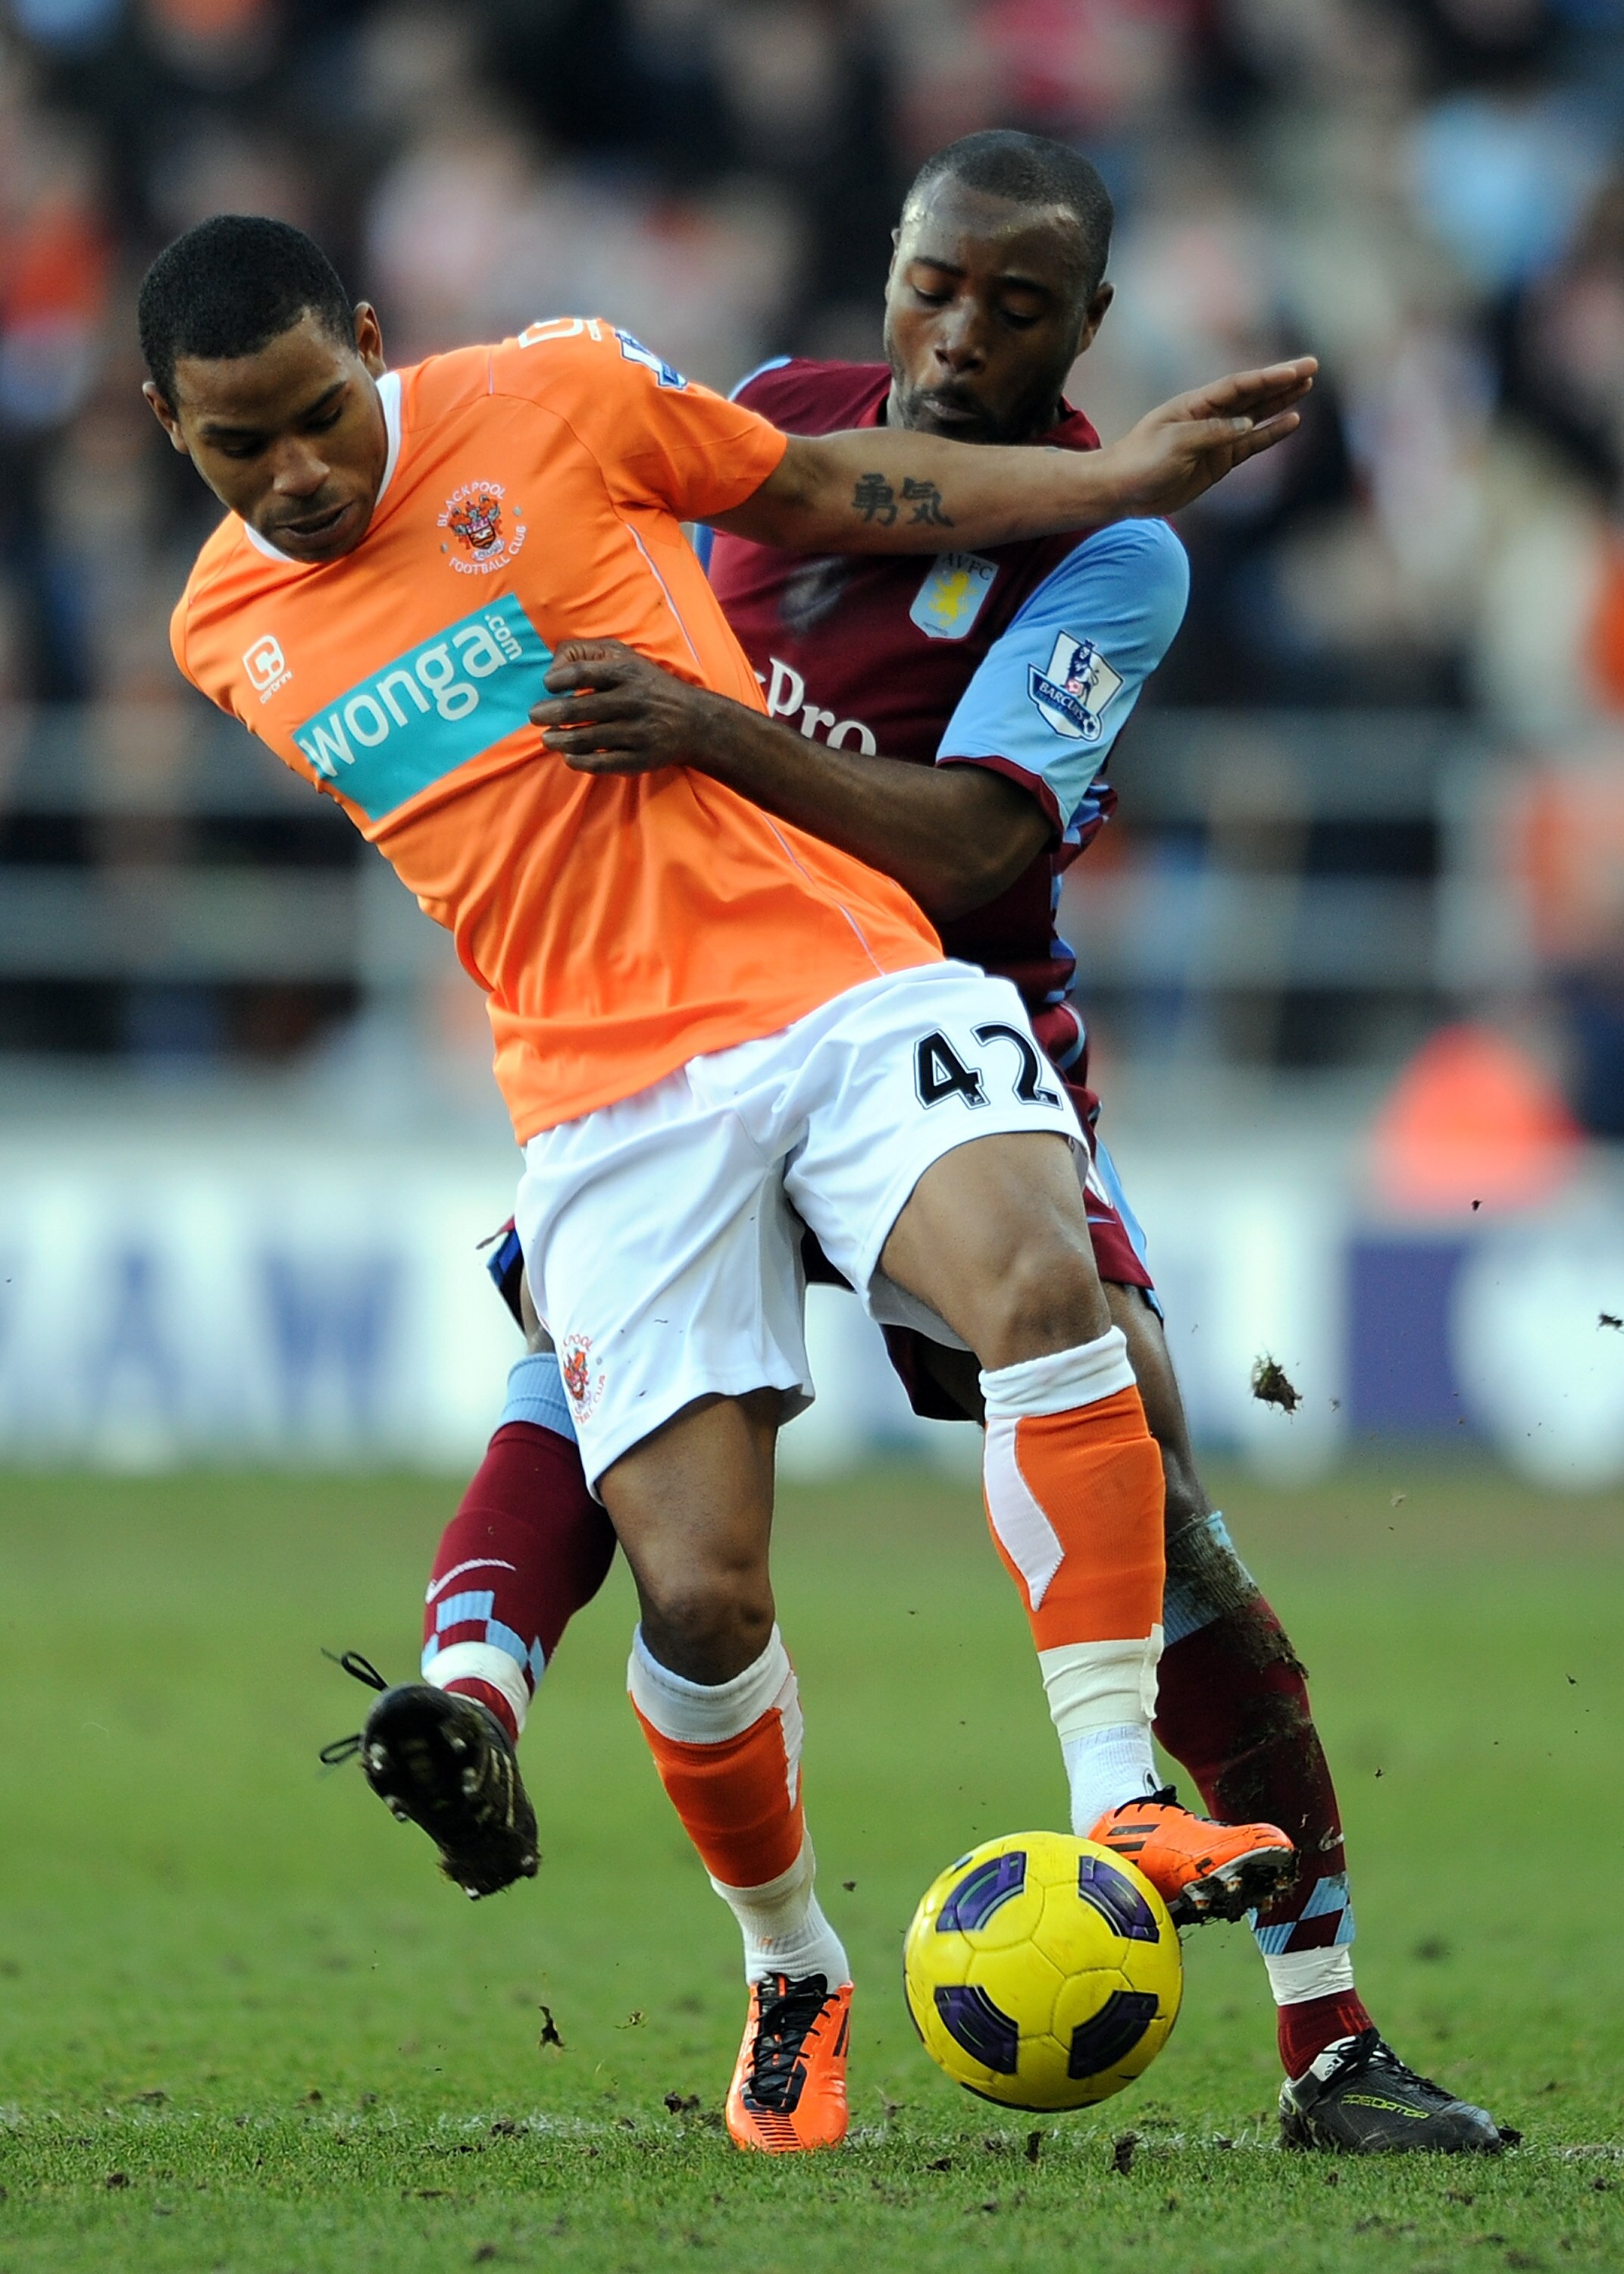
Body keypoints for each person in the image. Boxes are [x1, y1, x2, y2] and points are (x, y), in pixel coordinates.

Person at [379, 133, 1509, 2157]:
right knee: (626, 1435)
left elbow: (985, 842)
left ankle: (1328, 2036)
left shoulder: (1113, 549)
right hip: (700, 1029)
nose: (958, 331)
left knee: (1145, 1450)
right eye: (931, 283)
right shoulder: (785, 431)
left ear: (1088, 327)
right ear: (882, 275)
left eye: (1014, 302)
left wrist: (716, 732)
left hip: (937, 1031)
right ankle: (524, 1740)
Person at [142, 206, 1314, 2154]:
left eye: (322, 416)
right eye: (236, 447)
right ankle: (789, 1969)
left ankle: (1119, 1792)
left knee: (1044, 1289)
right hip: (603, 1098)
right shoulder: (213, 631)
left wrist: (1118, 476)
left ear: (372, 343)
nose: (299, 476)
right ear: (168, 431)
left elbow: (844, 482)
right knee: (694, 1598)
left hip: (837, 976)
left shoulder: (556, 391)